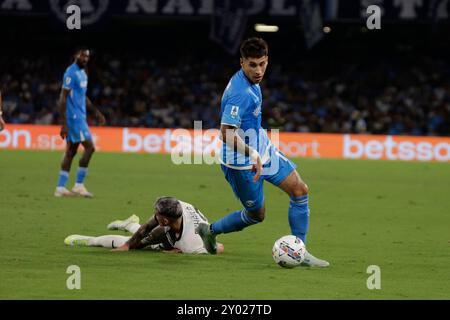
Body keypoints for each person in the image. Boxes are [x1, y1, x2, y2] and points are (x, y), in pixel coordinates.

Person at [196, 38, 329, 267]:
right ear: (241, 63)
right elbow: (225, 134)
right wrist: (253, 155)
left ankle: (300, 250)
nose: (258, 70)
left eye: (262, 63)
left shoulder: (252, 84)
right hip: (241, 162)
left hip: (263, 149)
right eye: (252, 65)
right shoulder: (240, 93)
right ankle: (210, 230)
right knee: (257, 215)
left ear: (267, 60)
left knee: (300, 190)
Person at [64, 196, 225, 254]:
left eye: (157, 215)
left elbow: (220, 247)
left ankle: (91, 240)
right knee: (135, 242)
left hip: (180, 239)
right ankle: (92, 240)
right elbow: (147, 226)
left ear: (166, 220)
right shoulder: (176, 207)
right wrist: (127, 245)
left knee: (145, 241)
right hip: (174, 233)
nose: (154, 215)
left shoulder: (193, 244)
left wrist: (182, 252)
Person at [54, 47, 105, 198]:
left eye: (87, 56)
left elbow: (82, 96)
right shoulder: (70, 72)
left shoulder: (83, 73)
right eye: (83, 56)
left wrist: (95, 111)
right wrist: (63, 123)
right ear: (76, 55)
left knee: (71, 151)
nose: (85, 59)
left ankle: (61, 187)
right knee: (90, 148)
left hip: (80, 116)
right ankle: (78, 185)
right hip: (73, 118)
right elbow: (62, 98)